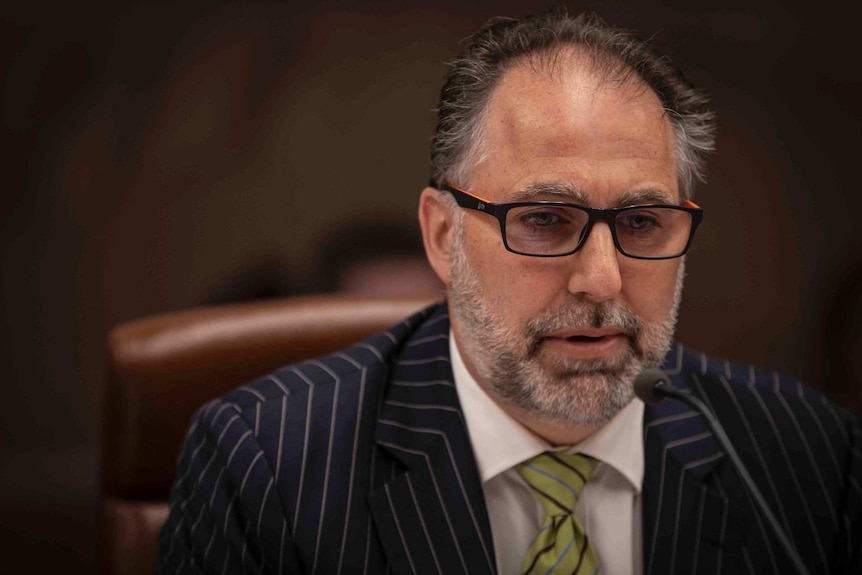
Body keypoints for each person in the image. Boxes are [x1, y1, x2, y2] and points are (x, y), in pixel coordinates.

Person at [157, 8, 861, 575]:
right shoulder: (266, 464)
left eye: (643, 222)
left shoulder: (807, 459)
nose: (603, 278)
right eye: (546, 221)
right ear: (443, 236)